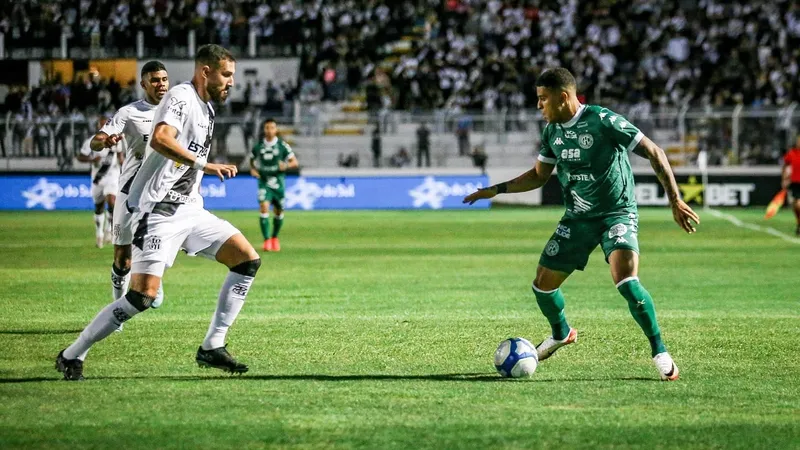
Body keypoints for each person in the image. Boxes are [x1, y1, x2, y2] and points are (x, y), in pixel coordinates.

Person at [463, 68, 700, 381]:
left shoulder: (603, 121)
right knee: (542, 285)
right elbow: (537, 176)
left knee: (626, 279)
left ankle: (659, 350)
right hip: (577, 218)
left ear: (563, 98)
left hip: (617, 212)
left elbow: (654, 151)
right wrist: (494, 190)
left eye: (542, 99)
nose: (538, 106)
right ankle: (561, 333)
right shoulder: (551, 133)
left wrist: (675, 200)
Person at [56, 44, 261, 381]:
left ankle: (212, 345)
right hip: (156, 210)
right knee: (141, 297)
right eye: (226, 74)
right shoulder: (181, 96)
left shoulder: (207, 108)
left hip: (190, 209)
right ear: (205, 71)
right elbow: (161, 139)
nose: (231, 82)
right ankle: (72, 354)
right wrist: (204, 164)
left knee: (247, 260)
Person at [90, 60, 170, 312]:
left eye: (164, 79)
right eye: (155, 80)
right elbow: (96, 140)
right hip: (129, 190)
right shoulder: (129, 112)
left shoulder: (178, 112)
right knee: (122, 259)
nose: (161, 84)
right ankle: (116, 305)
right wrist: (103, 141)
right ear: (143, 83)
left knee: (159, 240)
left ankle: (152, 278)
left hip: (161, 192)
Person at [250, 118, 298, 252]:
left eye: (272, 127)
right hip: (264, 182)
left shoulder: (282, 146)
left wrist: (286, 165)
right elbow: (252, 161)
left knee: (278, 211)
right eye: (267, 128)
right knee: (264, 206)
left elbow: (294, 162)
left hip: (278, 183)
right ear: (264, 130)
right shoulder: (258, 146)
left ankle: (274, 238)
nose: (269, 130)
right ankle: (266, 240)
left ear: (276, 130)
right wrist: (253, 170)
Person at [76, 115, 122, 249]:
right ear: (98, 126)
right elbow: (80, 156)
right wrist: (91, 161)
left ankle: (109, 230)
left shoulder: (115, 140)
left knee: (112, 202)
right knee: (99, 207)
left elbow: (120, 156)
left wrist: (124, 166)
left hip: (113, 176)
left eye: (106, 124)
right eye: (101, 125)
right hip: (98, 178)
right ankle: (99, 234)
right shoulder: (90, 141)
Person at [781, 136, 800, 235]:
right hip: (795, 182)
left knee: (798, 204)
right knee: (795, 205)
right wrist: (784, 179)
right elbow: (786, 166)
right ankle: (798, 222)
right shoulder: (791, 153)